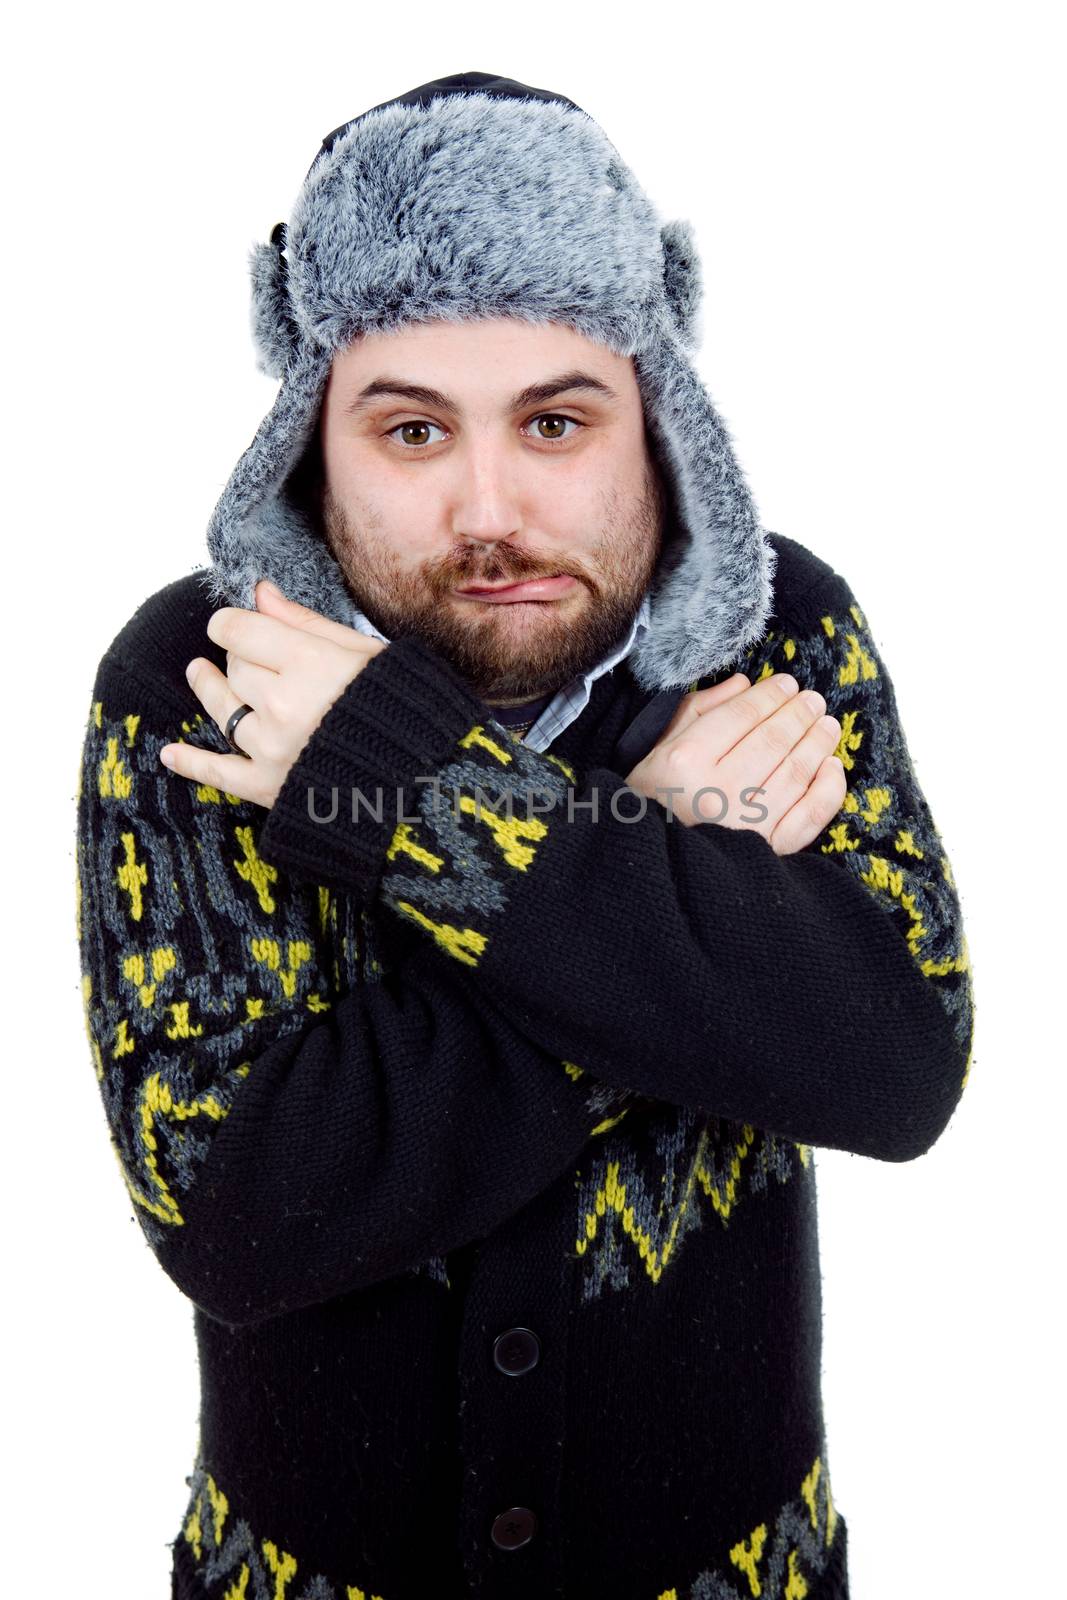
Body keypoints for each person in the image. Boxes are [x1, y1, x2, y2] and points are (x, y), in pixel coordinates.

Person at [75, 71, 975, 1600]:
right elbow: (231, 1205)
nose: (489, 507)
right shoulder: (204, 684)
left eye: (555, 421)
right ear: (310, 440)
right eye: (413, 430)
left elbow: (892, 1065)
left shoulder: (778, 640)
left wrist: (412, 796)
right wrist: (655, 863)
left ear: (653, 416)